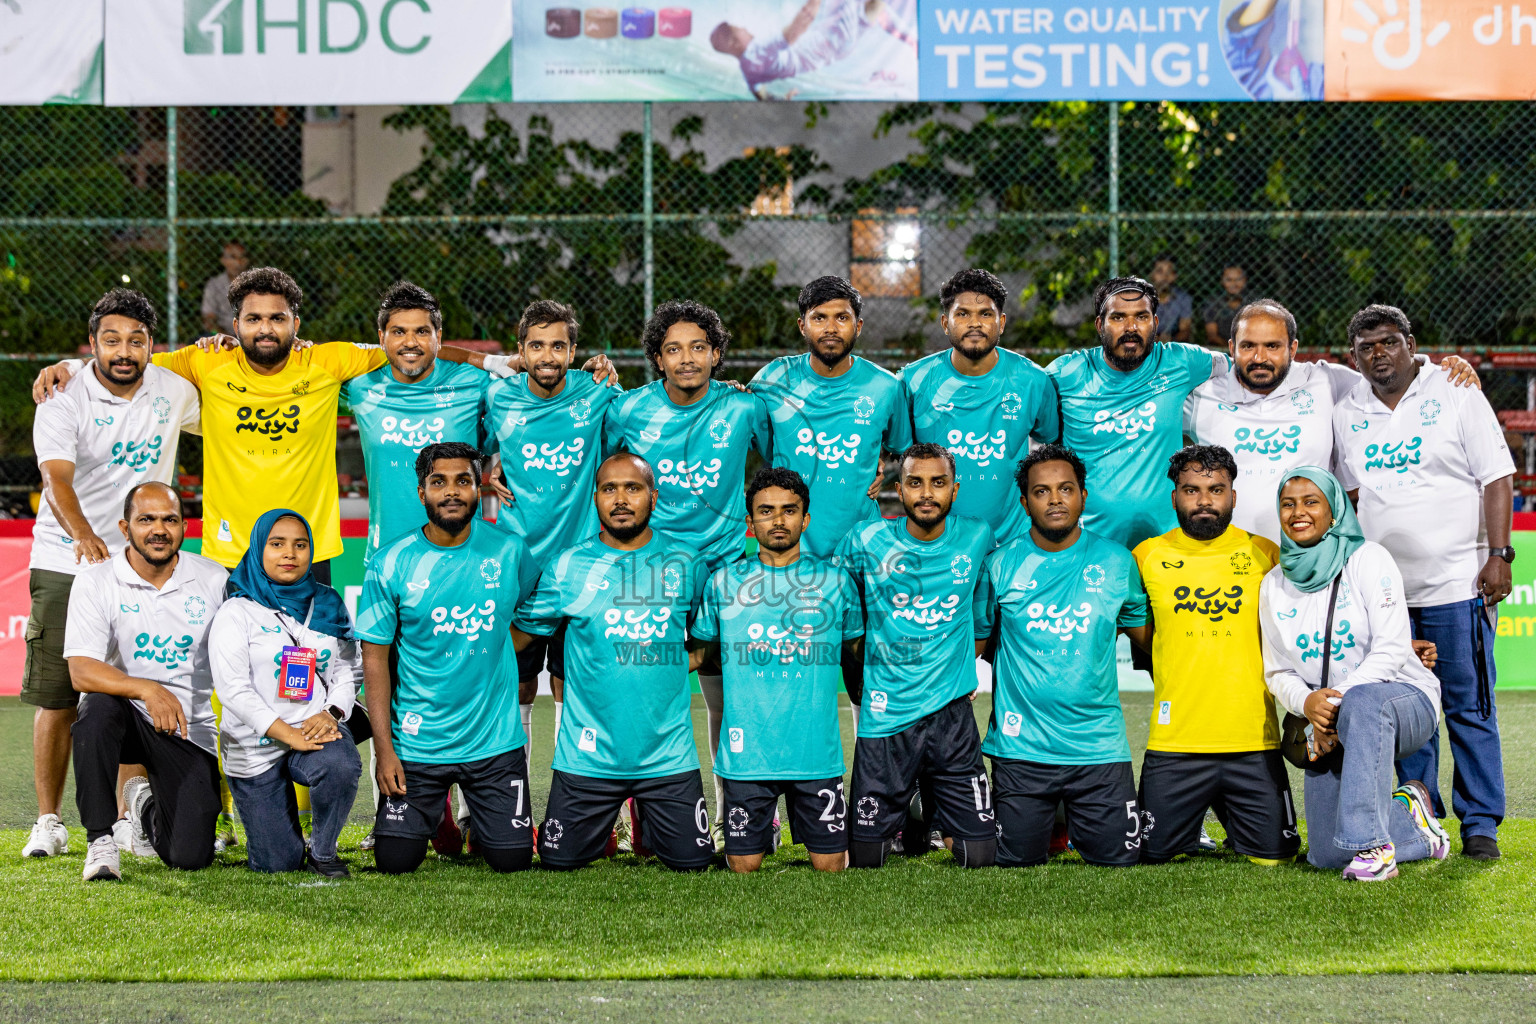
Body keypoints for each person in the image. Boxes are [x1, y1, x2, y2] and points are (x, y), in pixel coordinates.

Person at [31, 266, 500, 578]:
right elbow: (128, 360)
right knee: (229, 680)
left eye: (277, 318)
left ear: (297, 322)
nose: (265, 328)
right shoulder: (205, 362)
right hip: (228, 551)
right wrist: (68, 369)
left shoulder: (327, 361)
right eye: (253, 319)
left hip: (308, 547)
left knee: (304, 676)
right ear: (235, 325)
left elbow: (412, 347)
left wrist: (494, 364)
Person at [1333, 304, 1517, 861]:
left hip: (1457, 584)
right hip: (1387, 595)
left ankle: (1481, 822)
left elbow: (1497, 475)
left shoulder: (1455, 389)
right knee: (1409, 709)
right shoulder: (1347, 410)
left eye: (1389, 342)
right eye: (1367, 347)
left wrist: (1500, 554)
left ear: (1412, 343)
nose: (1379, 353)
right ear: (1354, 357)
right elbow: (1352, 495)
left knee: (1468, 706)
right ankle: (1423, 819)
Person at [22, 289, 200, 861]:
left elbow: (232, 397)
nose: (124, 351)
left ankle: (126, 818)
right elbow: (56, 480)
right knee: (58, 694)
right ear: (92, 342)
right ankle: (48, 820)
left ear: (153, 345)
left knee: (130, 690)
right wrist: (84, 536)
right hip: (66, 559)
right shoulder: (63, 392)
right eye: (112, 340)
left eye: (137, 340)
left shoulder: (172, 390)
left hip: (137, 559)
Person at [608, 300, 771, 830]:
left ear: (716, 354)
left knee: (729, 703)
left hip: (722, 573)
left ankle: (735, 816)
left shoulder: (745, 408)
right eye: (673, 349)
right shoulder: (628, 410)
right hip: (651, 575)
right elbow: (605, 474)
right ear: (657, 358)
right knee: (644, 698)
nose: (686, 359)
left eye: (698, 347)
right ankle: (645, 823)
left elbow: (782, 465)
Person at [513, 453, 714, 872]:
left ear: (653, 497)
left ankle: (644, 823)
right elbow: (524, 634)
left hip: (668, 755)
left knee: (693, 864)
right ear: (596, 498)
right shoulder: (569, 565)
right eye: (609, 489)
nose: (620, 499)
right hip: (588, 756)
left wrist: (677, 662)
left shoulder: (687, 563)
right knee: (557, 863)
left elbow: (704, 637)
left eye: (633, 488)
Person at [356, 443, 540, 875]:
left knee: (511, 860)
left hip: (493, 743)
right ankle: (434, 817)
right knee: (395, 862)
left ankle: (476, 820)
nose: (451, 491)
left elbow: (535, 607)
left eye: (463, 481)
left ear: (481, 489)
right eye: (439, 482)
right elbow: (375, 661)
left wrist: (500, 642)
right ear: (421, 493)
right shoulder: (390, 563)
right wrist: (385, 751)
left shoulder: (510, 550)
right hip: (418, 742)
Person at [1259, 468, 1450, 880]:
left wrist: (1332, 703)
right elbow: (1278, 670)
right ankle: (1411, 819)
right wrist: (1307, 703)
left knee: (1362, 702)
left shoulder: (1368, 558)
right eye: (1288, 504)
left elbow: (1393, 650)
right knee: (1328, 853)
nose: (1298, 513)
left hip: (1403, 700)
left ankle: (1376, 849)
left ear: (1334, 510)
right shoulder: (1274, 582)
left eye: (1312, 502)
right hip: (1328, 719)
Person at [1184, 299, 1480, 546]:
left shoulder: (1326, 381)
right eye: (1248, 346)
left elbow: (1393, 378)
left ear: (1293, 348)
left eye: (1273, 346)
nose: (1260, 357)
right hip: (1226, 562)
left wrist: (1439, 368)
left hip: (1313, 562)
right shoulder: (1201, 397)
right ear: (1232, 346)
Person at [983, 444, 1152, 867]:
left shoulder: (1117, 561)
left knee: (1120, 862)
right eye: (1041, 492)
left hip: (1098, 747)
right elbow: (979, 646)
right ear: (1024, 502)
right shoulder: (1000, 565)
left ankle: (1068, 821)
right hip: (1022, 749)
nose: (1055, 500)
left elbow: (1147, 639)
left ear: (1083, 495)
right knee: (1013, 863)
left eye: (1065, 489)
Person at [689, 466, 863, 873]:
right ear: (750, 523)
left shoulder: (835, 581)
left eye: (789, 510)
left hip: (815, 756)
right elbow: (697, 654)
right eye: (766, 511)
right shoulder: (724, 582)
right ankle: (760, 830)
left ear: (805, 518)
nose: (778, 520)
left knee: (831, 866)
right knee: (744, 866)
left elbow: (860, 648)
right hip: (748, 757)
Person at [1131, 445, 1298, 865]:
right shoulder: (1147, 556)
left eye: (1216, 489)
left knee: (1275, 857)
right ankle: (1190, 823)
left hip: (1253, 740)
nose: (1204, 500)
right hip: (1175, 743)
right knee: (1150, 856)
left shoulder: (1266, 554)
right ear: (1174, 497)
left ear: (1233, 497)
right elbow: (1138, 634)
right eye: (1191, 490)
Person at [834, 442, 997, 869]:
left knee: (978, 855)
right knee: (866, 859)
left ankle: (928, 804)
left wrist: (959, 670)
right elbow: (847, 620)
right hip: (887, 717)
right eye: (915, 483)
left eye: (938, 483)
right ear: (899, 491)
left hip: (952, 716)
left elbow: (979, 624)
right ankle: (911, 807)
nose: (927, 493)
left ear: (954, 490)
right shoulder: (865, 539)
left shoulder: (978, 536)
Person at [485, 300, 623, 784]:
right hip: (517, 571)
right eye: (537, 345)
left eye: (558, 345)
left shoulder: (597, 391)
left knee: (576, 689)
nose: (548, 355)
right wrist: (487, 468)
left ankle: (582, 799)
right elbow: (467, 448)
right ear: (521, 350)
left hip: (580, 572)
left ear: (573, 350)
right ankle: (503, 805)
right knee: (516, 688)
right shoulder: (496, 397)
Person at [63, 482, 227, 881]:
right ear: (125, 527)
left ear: (185, 527)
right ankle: (100, 838)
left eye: (170, 519)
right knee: (96, 709)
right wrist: (147, 689)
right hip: (128, 718)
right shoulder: (96, 581)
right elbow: (81, 669)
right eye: (146, 519)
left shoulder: (214, 579)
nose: (159, 529)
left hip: (189, 730)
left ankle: (142, 803)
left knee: (189, 856)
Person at [208, 509, 362, 878]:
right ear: (259, 548)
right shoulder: (236, 611)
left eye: (300, 544)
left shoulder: (327, 602)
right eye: (277, 544)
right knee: (277, 864)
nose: (289, 553)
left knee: (340, 764)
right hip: (253, 745)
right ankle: (284, 839)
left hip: (313, 727)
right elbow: (233, 689)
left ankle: (323, 851)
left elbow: (346, 669)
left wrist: (332, 714)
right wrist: (286, 733)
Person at [1048, 275, 1227, 552]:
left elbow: (1243, 369)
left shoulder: (1182, 361)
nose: (1130, 327)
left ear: (1155, 323)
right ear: (1100, 325)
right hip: (1089, 546)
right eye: (1118, 317)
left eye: (1141, 317)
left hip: (1167, 546)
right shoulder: (1066, 374)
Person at [752, 276, 910, 561]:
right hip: (791, 548)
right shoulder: (771, 380)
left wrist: (878, 461)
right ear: (803, 326)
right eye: (819, 317)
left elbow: (902, 450)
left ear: (858, 326)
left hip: (863, 548)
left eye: (841, 317)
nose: (831, 328)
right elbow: (755, 439)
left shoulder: (885, 387)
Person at [901, 268, 1057, 548]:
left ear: (1002, 322)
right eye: (962, 314)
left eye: (985, 314)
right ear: (945, 323)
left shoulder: (1032, 380)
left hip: (1012, 541)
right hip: (936, 544)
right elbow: (892, 446)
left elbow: (1052, 443)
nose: (975, 323)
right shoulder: (913, 381)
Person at [710, 0, 913, 96]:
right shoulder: (756, 51)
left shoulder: (747, 69)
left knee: (871, 8)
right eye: (738, 29)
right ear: (732, 43)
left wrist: (782, 101)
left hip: (835, 48)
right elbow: (792, 33)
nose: (744, 27)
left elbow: (759, 94)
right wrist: (814, 4)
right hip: (831, 39)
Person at [200, 241, 249, 335]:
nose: (238, 262)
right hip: (220, 334)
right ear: (223, 260)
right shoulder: (214, 285)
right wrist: (223, 336)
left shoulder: (256, 284)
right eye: (233, 257)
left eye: (241, 257)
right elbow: (208, 319)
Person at [1202, 265, 1250, 347]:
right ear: (1222, 281)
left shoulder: (1254, 302)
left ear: (1245, 280)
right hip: (1221, 349)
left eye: (1238, 279)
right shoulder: (1212, 302)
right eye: (1229, 280)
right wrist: (1233, 348)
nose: (1234, 283)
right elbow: (1212, 335)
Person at [1149, 256, 1193, 343]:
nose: (1165, 277)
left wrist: (1170, 340)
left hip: (1172, 345)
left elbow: (1185, 330)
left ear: (1174, 276)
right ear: (1152, 275)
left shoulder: (1183, 298)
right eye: (1159, 271)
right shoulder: (1142, 297)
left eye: (1169, 272)